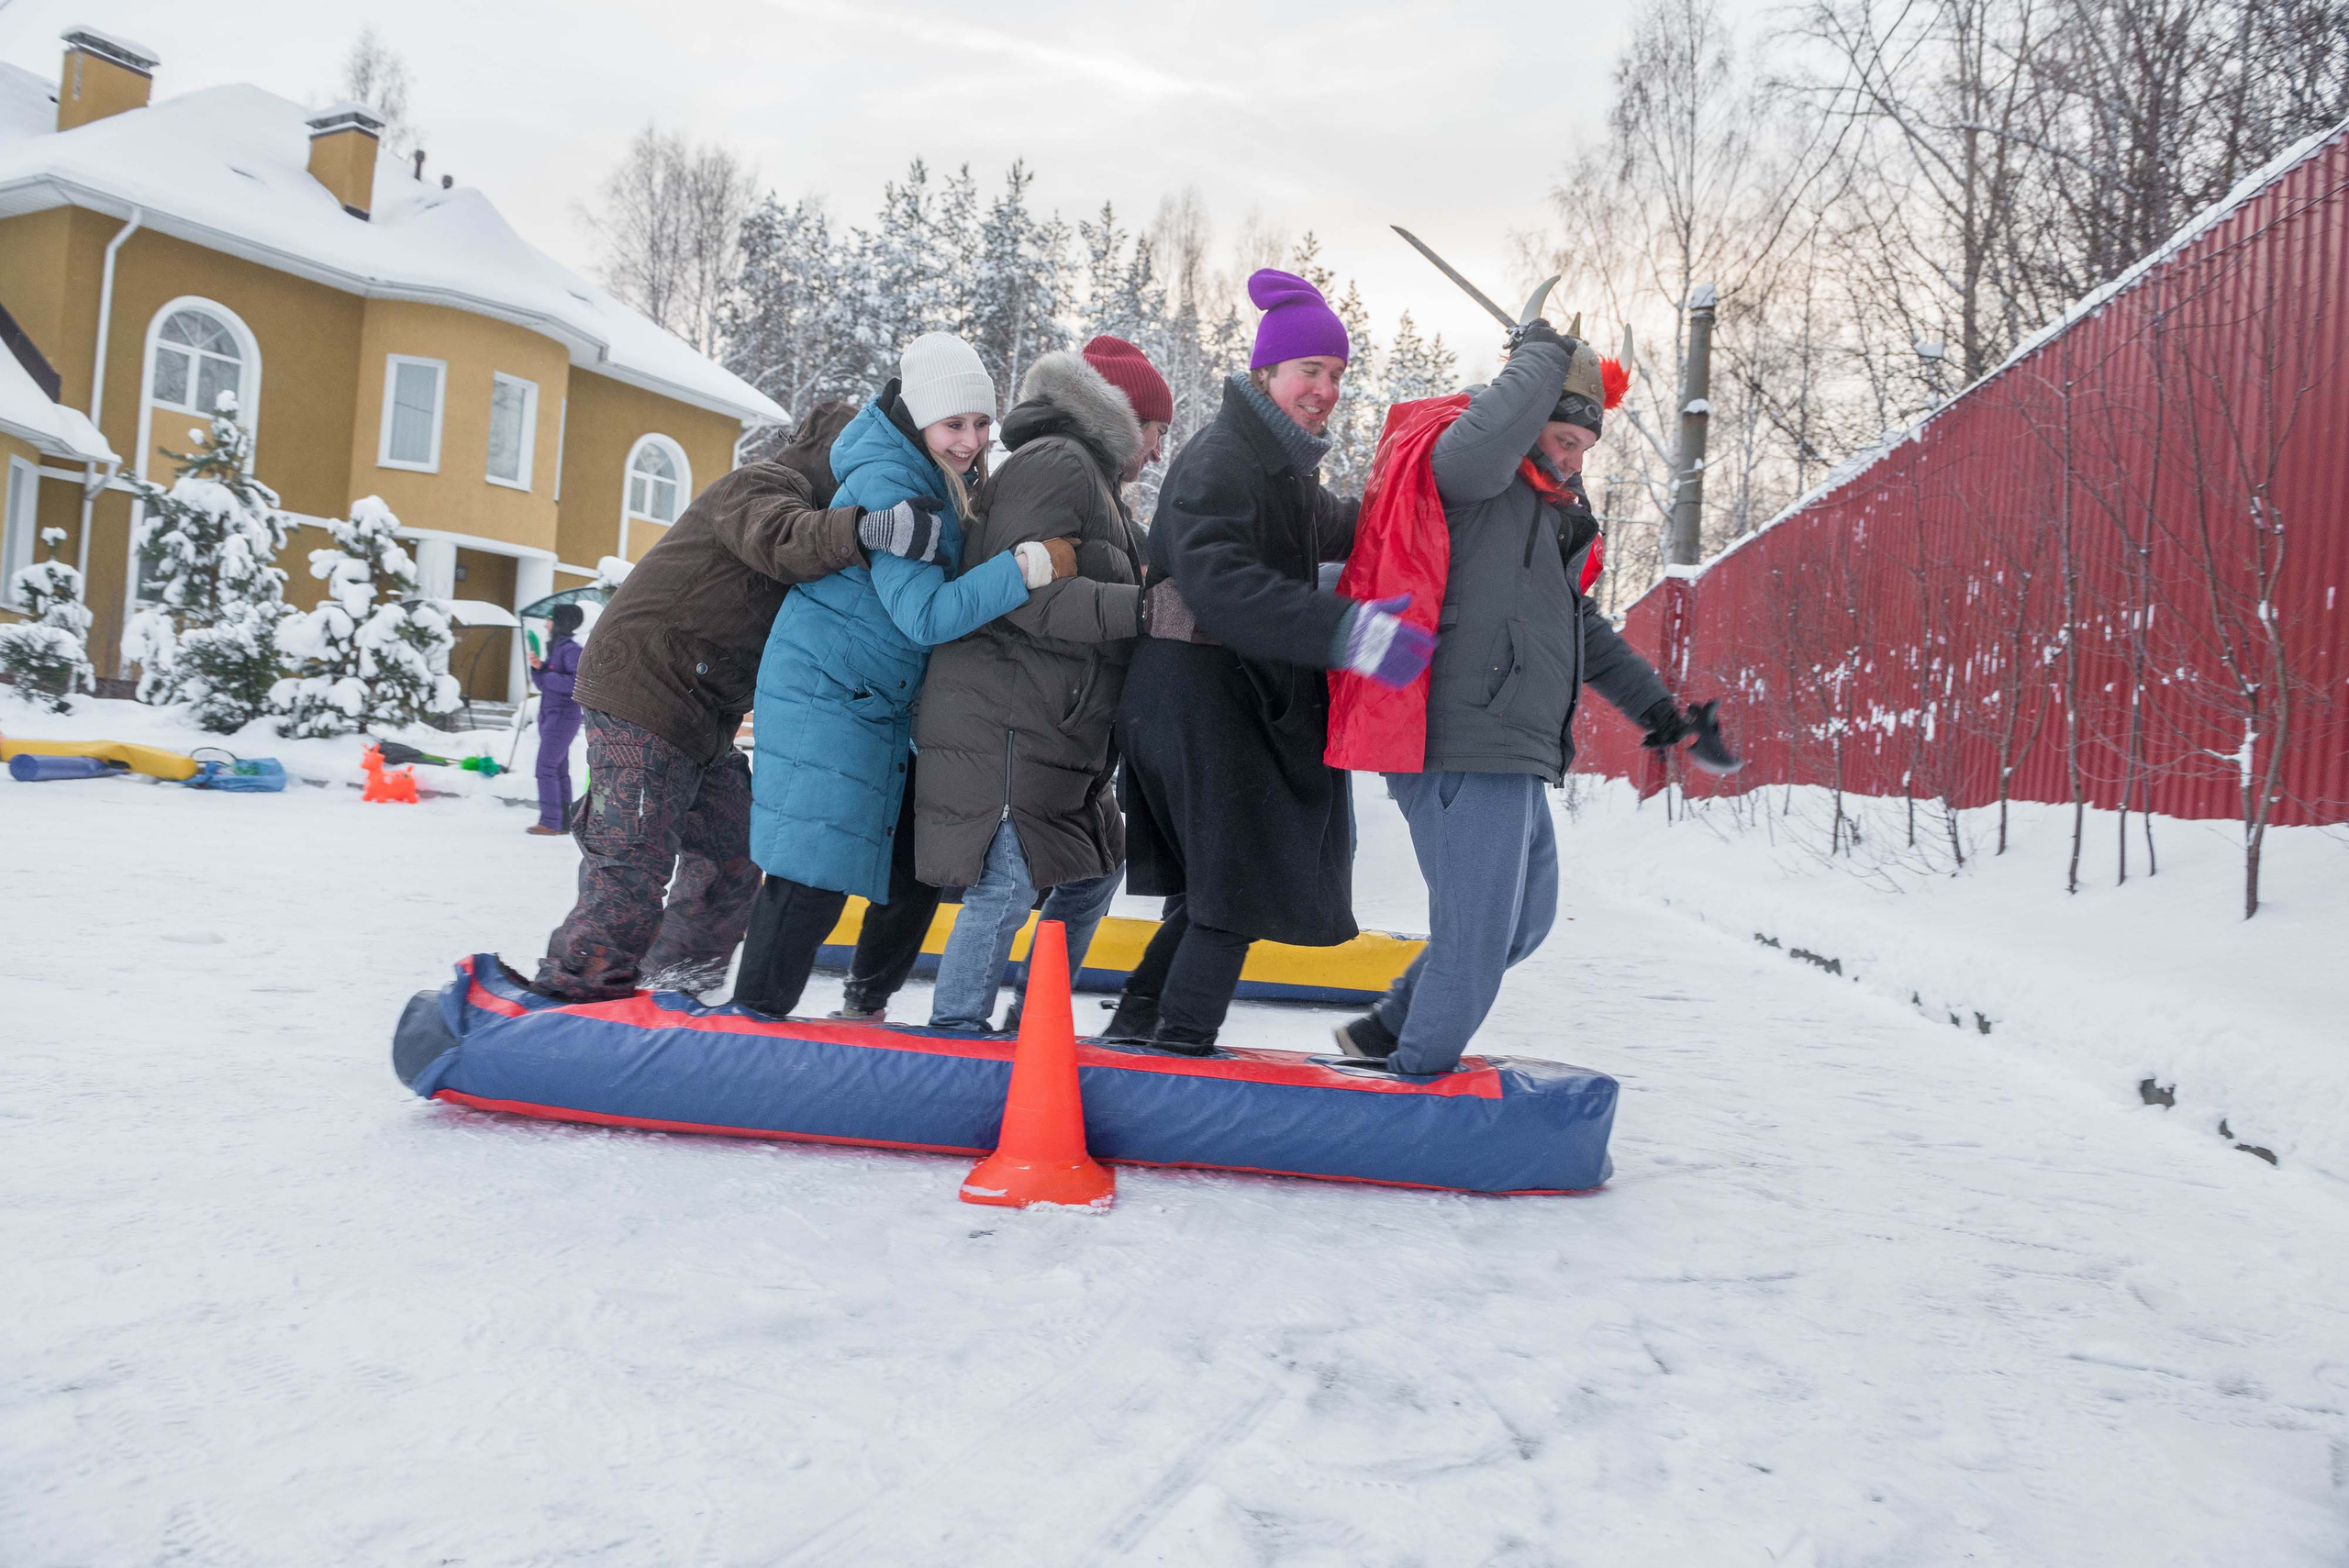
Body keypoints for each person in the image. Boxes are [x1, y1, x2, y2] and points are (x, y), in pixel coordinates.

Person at [1329, 322, 1725, 1076]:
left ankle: (1392, 1030)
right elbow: (1489, 437)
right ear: (1528, 413)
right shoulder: (1466, 473)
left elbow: (1581, 627)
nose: (1576, 460)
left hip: (1512, 744)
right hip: (1456, 736)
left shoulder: (1547, 514)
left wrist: (1662, 713)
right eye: (1565, 439)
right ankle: (1413, 1086)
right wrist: (1542, 356)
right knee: (1477, 936)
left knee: (1523, 920)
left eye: (1585, 448)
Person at [1109, 270, 1435, 1054]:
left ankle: (1137, 1027)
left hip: (1209, 694)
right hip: (1192, 692)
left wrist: (1427, 503)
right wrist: (1350, 632)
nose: (1324, 389)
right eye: (1308, 372)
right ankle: (1179, 1049)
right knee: (1232, 887)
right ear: (1266, 373)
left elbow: (1341, 528)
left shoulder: (1277, 465)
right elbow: (1221, 581)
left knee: (1215, 884)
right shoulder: (1225, 458)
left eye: (1334, 375)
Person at [529, 401, 947, 1001]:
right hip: (644, 685)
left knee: (734, 854)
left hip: (702, 714)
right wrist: (867, 526)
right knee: (632, 859)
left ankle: (678, 987)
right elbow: (779, 538)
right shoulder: (763, 486)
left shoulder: (824, 528)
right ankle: (574, 991)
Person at [731, 333, 1078, 1020]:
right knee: (814, 870)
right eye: (955, 424)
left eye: (982, 423)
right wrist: (1027, 568)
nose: (972, 439)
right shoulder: (896, 485)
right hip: (829, 694)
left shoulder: (942, 474)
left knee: (923, 865)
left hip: (887, 702)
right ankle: (751, 1023)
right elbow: (922, 614)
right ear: (920, 418)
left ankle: (865, 1005)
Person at [916, 336, 1170, 1033]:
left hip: (1060, 728)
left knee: (1094, 872)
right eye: (1155, 431)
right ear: (1121, 417)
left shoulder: (1101, 491)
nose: (1156, 450)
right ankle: (955, 1033)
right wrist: (1143, 609)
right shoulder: (1057, 464)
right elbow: (1024, 595)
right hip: (1005, 715)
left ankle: (1036, 1029)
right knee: (1006, 886)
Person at [525, 602, 584, 837]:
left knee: (545, 767)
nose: (545, 624)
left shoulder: (571, 650)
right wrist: (538, 668)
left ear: (560, 622)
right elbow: (544, 685)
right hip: (551, 715)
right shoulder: (558, 648)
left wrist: (548, 674)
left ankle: (550, 821)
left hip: (562, 716)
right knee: (558, 769)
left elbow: (576, 682)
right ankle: (563, 822)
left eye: (549, 619)